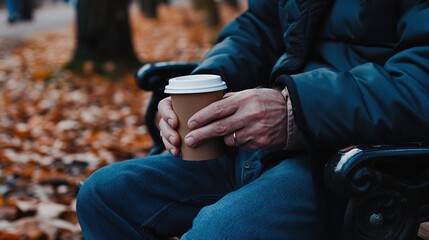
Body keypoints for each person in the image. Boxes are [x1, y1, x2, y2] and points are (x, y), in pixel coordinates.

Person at [76, 0, 429, 239]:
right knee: (104, 196)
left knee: (218, 231)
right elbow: (260, 27)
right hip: (258, 143)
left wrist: (294, 111)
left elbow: (421, 79)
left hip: (356, 160)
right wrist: (208, 80)